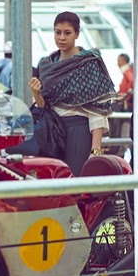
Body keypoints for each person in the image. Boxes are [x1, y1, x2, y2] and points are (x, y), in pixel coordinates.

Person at [30, 11, 117, 175]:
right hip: (52, 132)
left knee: (75, 180)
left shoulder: (88, 63)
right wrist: (36, 94)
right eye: (58, 32)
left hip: (78, 130)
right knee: (52, 181)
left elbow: (98, 109)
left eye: (67, 33)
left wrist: (95, 150)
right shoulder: (47, 65)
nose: (62, 38)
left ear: (77, 34)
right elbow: (45, 108)